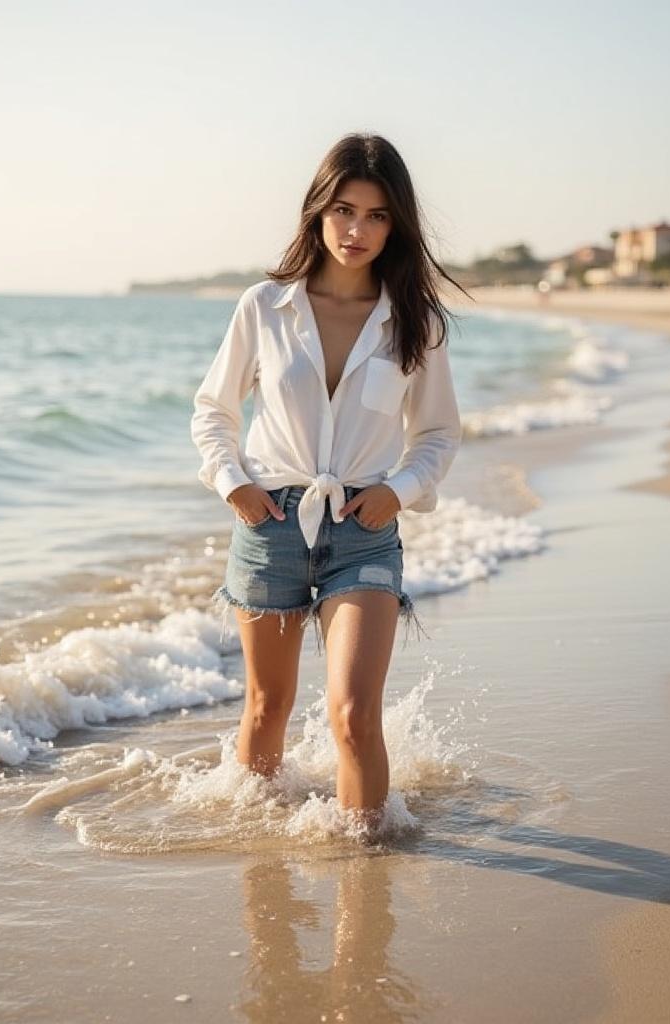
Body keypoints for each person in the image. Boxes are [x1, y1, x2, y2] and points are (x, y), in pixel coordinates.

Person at [190, 133, 462, 828]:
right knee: (266, 707)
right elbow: (214, 410)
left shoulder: (415, 322)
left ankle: (364, 866)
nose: (356, 230)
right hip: (270, 525)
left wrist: (397, 493)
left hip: (364, 531)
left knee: (353, 714)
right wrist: (234, 484)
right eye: (344, 210)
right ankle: (259, 861)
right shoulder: (264, 307)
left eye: (376, 216)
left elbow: (437, 434)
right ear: (317, 211)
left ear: (396, 226)